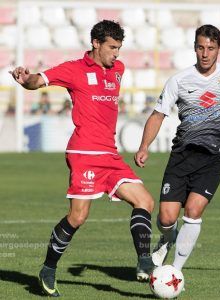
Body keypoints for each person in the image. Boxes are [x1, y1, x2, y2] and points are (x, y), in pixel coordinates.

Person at [10, 20, 155, 297]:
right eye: (112, 47)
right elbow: (37, 81)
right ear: (96, 43)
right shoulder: (73, 69)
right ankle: (48, 269)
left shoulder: (119, 70)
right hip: (84, 153)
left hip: (110, 154)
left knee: (145, 201)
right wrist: (24, 78)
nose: (117, 54)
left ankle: (145, 263)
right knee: (77, 217)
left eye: (120, 48)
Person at [135, 24, 220, 277]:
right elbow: (158, 115)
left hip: (211, 159)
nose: (205, 53)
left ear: (219, 49)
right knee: (167, 219)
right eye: (201, 47)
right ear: (194, 48)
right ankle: (167, 239)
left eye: (211, 48)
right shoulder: (179, 80)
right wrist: (144, 146)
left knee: (193, 211)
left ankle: (174, 273)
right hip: (181, 156)